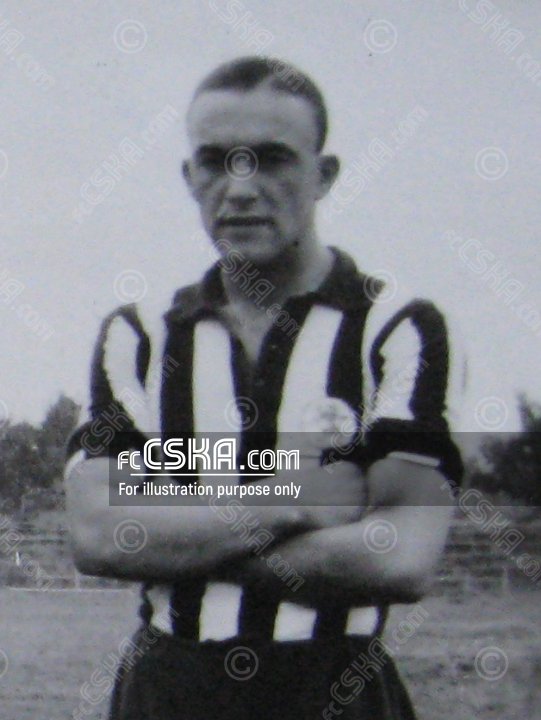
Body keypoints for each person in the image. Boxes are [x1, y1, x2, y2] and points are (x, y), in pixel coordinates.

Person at [65, 56, 464, 720]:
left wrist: (182, 537)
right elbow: (100, 536)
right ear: (189, 177)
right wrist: (294, 501)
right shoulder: (139, 336)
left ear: (324, 175)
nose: (241, 189)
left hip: (334, 686)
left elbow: (402, 558)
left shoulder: (396, 329)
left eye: (272, 159)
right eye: (216, 161)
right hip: (170, 689)